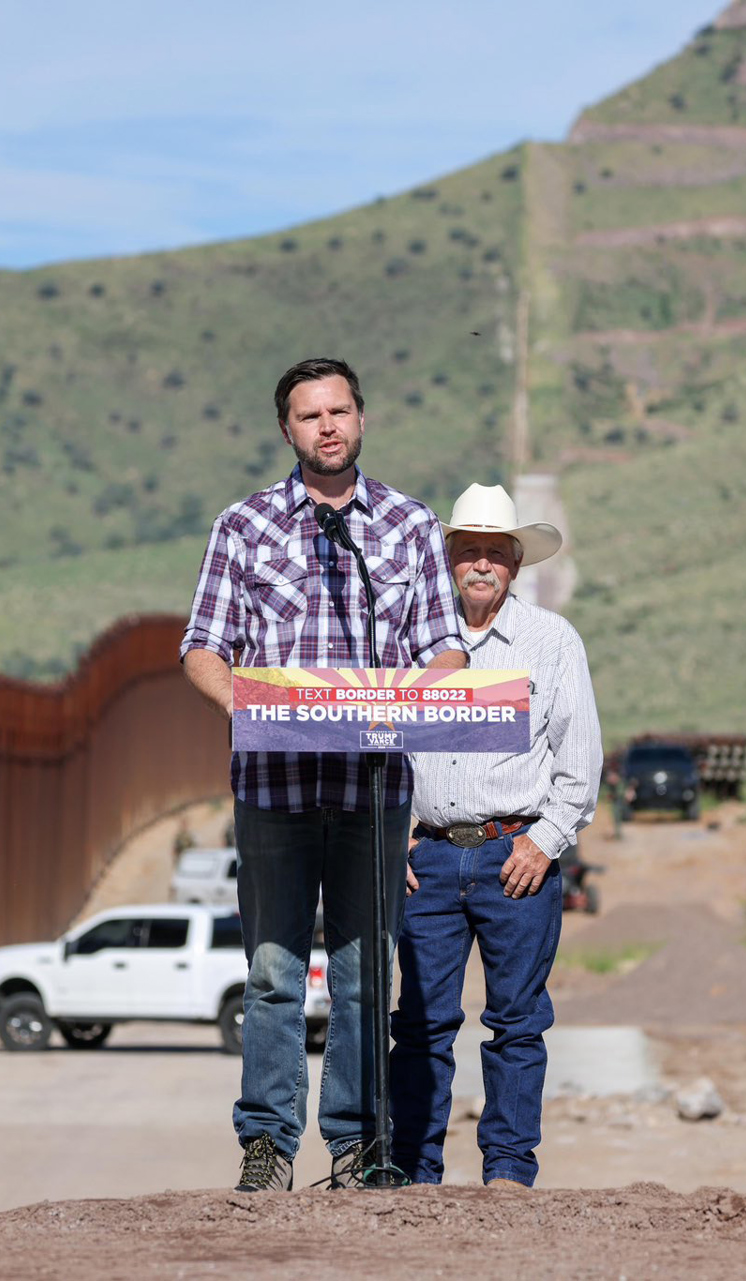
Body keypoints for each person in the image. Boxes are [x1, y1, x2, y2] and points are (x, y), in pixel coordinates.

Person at [181, 357, 467, 1192]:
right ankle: (268, 1144)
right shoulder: (244, 526)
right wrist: (248, 705)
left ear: (361, 418)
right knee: (273, 972)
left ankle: (357, 1144)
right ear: (287, 430)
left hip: (371, 789)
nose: (327, 426)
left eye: (339, 411)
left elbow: (445, 647)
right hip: (274, 787)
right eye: (310, 416)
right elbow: (202, 646)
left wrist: (411, 697)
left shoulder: (410, 526)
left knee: (364, 973)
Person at [388, 483, 602, 1189]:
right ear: (448, 560)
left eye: (494, 553)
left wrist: (546, 840)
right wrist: (391, 838)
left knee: (517, 1020)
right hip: (428, 856)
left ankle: (508, 1172)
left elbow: (580, 759)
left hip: (516, 854)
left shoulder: (552, 641)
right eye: (468, 551)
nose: (481, 565)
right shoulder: (406, 640)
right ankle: (414, 1170)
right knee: (420, 1023)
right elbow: (378, 742)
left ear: (514, 562)